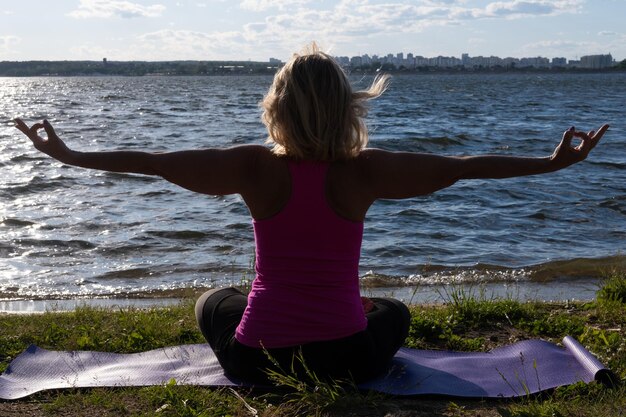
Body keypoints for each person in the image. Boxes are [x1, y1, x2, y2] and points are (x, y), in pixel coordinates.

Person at [15, 46, 609, 385]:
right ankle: (352, 314)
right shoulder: (366, 171)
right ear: (348, 108)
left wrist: (67, 154)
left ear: (275, 106)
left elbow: (153, 162)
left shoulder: (251, 168)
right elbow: (464, 166)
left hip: (257, 358)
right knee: (393, 312)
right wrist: (551, 165)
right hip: (345, 358)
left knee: (213, 301)